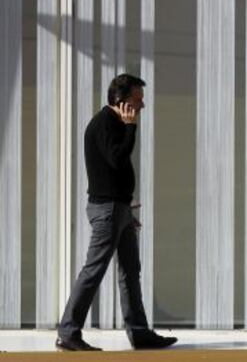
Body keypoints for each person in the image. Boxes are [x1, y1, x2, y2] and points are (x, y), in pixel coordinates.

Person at [56, 73, 177, 351]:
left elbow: (117, 170)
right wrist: (131, 127)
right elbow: (117, 158)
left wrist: (127, 206)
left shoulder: (115, 123)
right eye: (137, 101)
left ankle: (139, 332)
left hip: (119, 208)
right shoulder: (105, 123)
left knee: (130, 271)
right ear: (122, 102)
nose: (142, 107)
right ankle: (68, 332)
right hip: (108, 210)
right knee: (94, 270)